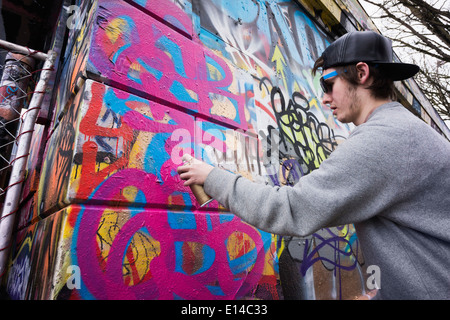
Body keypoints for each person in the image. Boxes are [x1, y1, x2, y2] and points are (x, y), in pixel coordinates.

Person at [177, 31, 450, 300]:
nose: (324, 98)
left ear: (362, 73)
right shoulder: (405, 131)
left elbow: (292, 209)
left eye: (328, 84)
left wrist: (213, 178)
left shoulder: (386, 139)